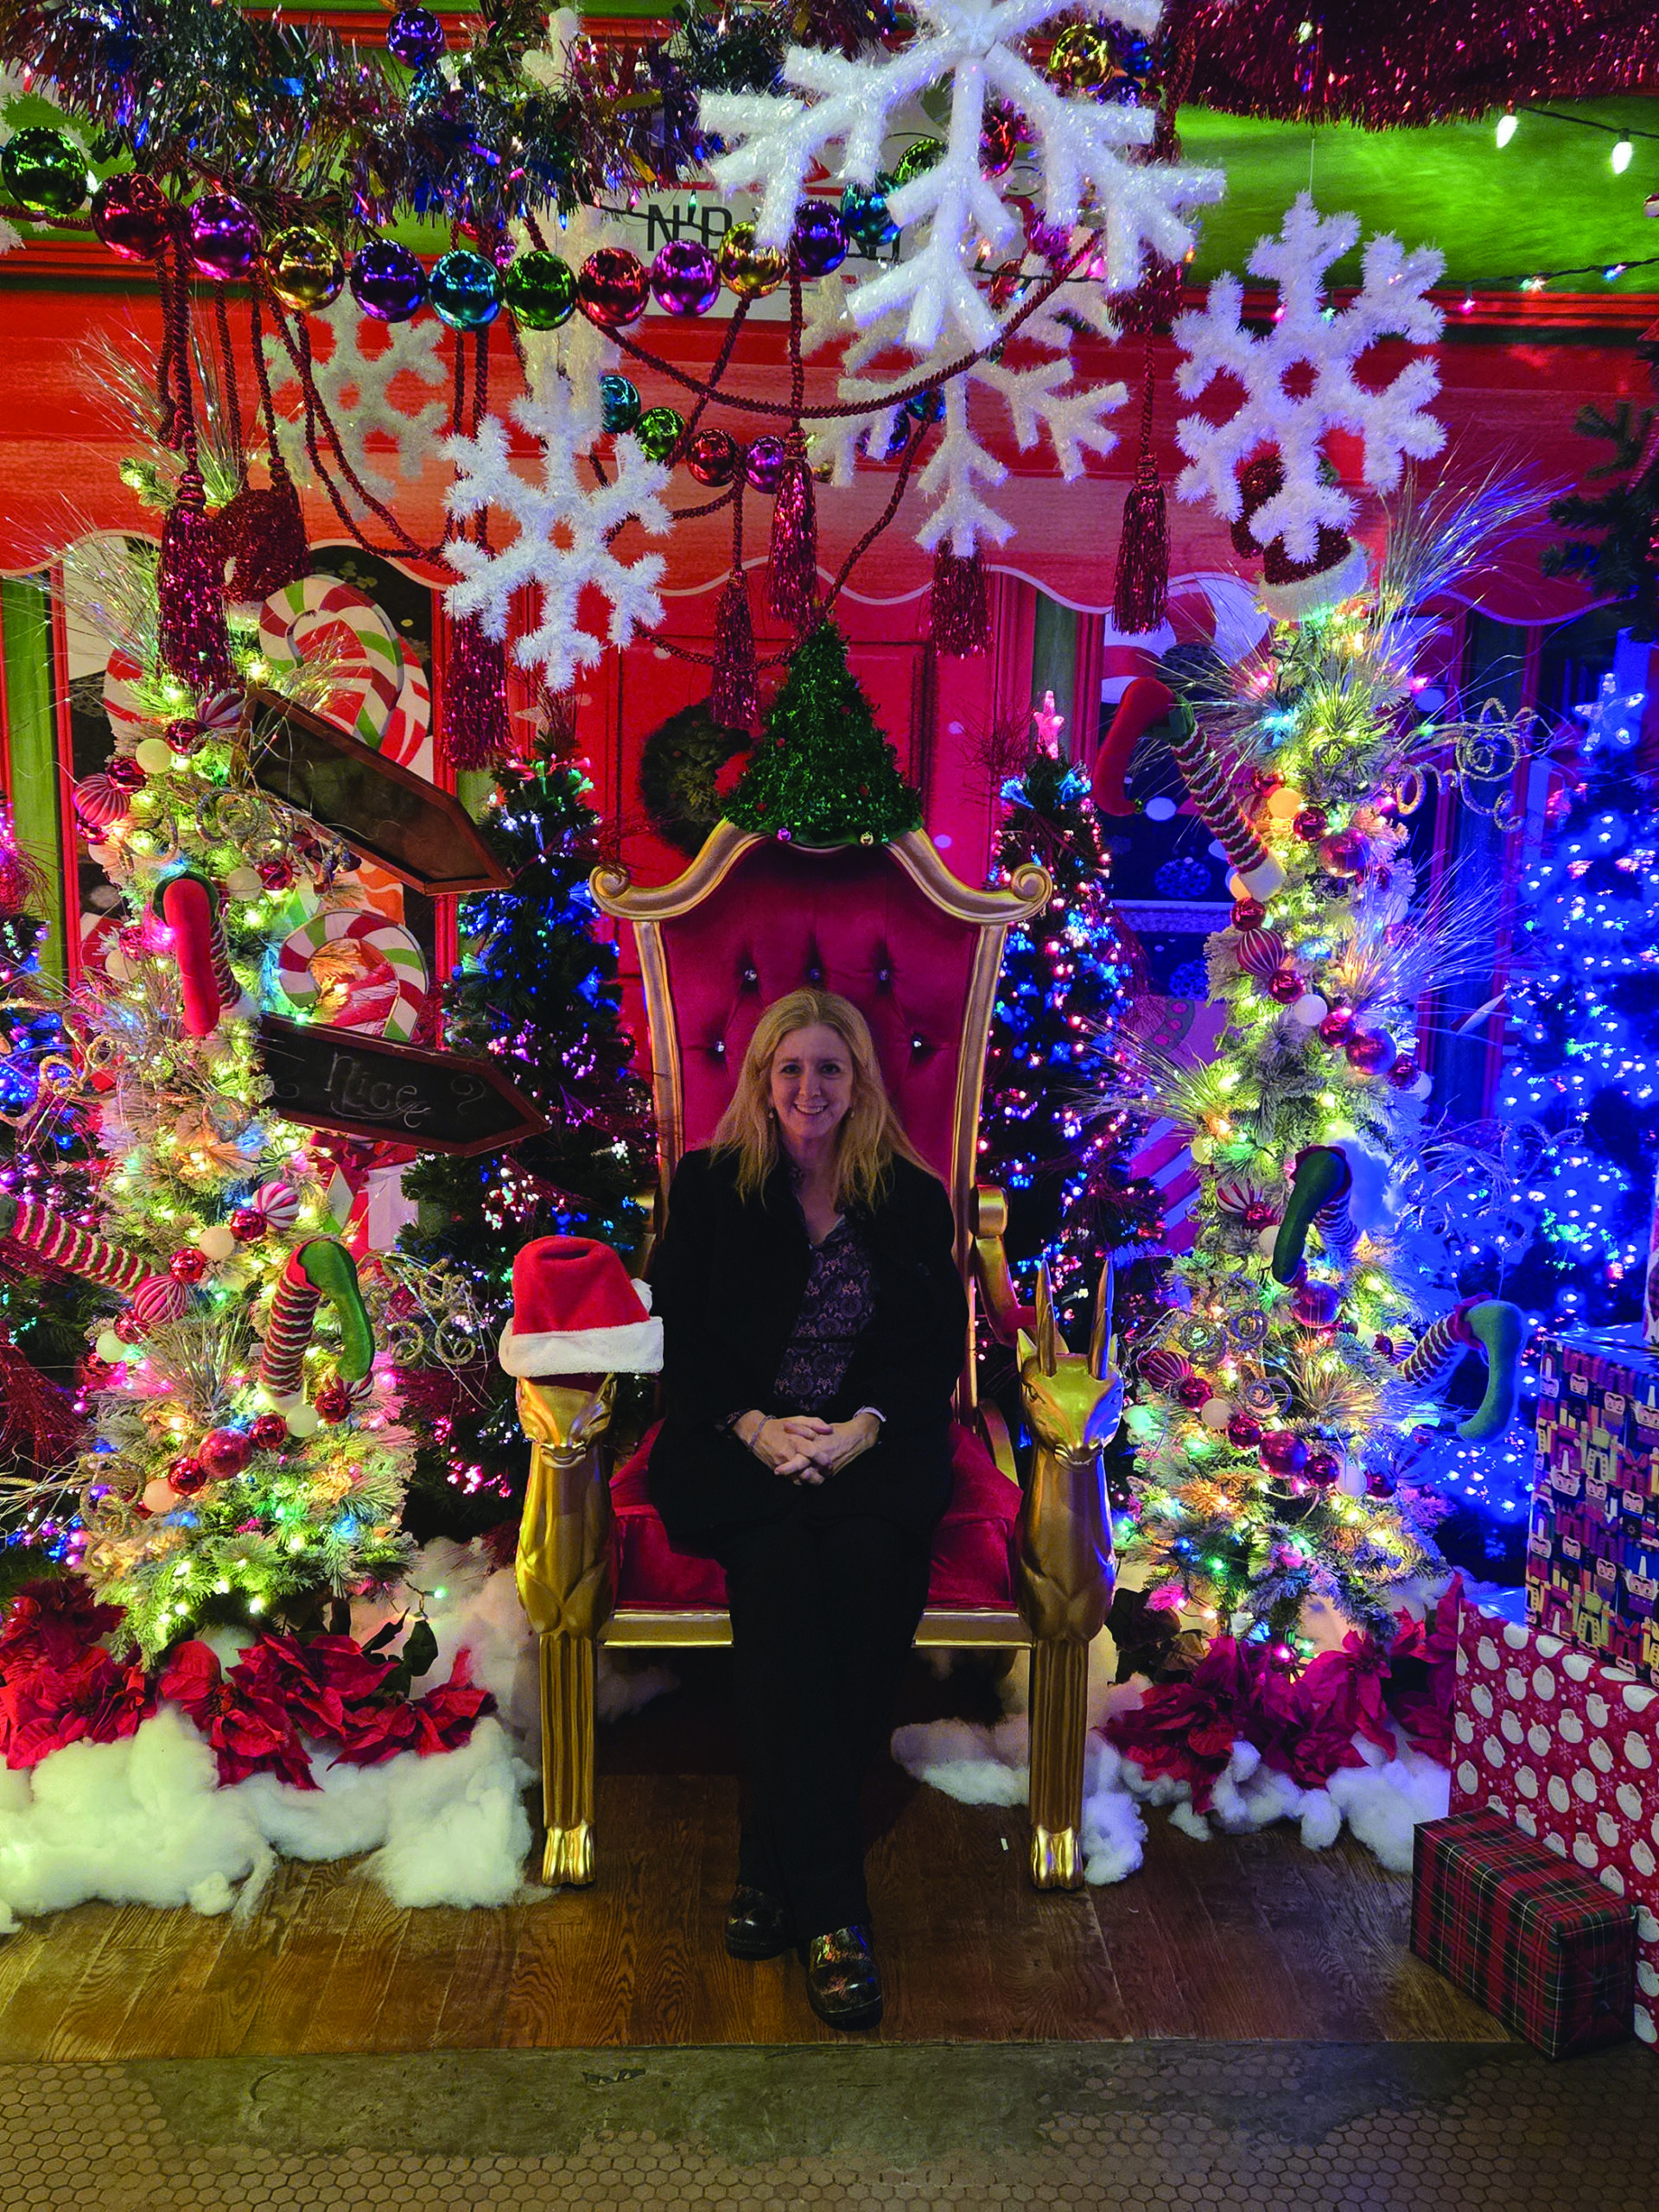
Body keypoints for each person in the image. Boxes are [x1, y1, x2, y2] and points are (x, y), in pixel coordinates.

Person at [648, 988, 967, 2031]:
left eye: (830, 1067)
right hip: (736, 1442)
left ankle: (767, 1861)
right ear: (760, 1080)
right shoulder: (710, 1185)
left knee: (872, 1567)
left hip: (872, 1440)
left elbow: (930, 1351)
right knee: (781, 1571)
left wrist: (864, 1424)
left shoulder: (910, 1198)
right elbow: (682, 1341)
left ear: (860, 1081)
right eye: (790, 1068)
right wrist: (752, 1424)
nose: (809, 1088)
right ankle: (835, 1912)